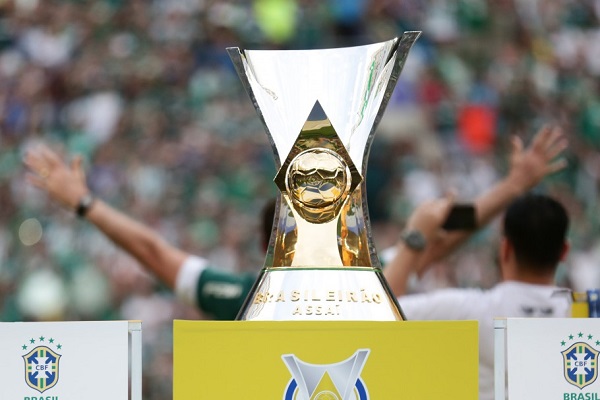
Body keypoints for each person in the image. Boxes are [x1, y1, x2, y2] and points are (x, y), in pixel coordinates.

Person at [23, 125, 567, 321]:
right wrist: (512, 188)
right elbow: (433, 242)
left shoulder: (243, 296)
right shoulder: (359, 290)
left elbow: (154, 253)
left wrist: (86, 204)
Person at [384, 191, 570, 400]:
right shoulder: (587, 318)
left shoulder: (468, 310)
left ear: (505, 249)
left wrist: (415, 237)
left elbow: (382, 312)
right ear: (564, 251)